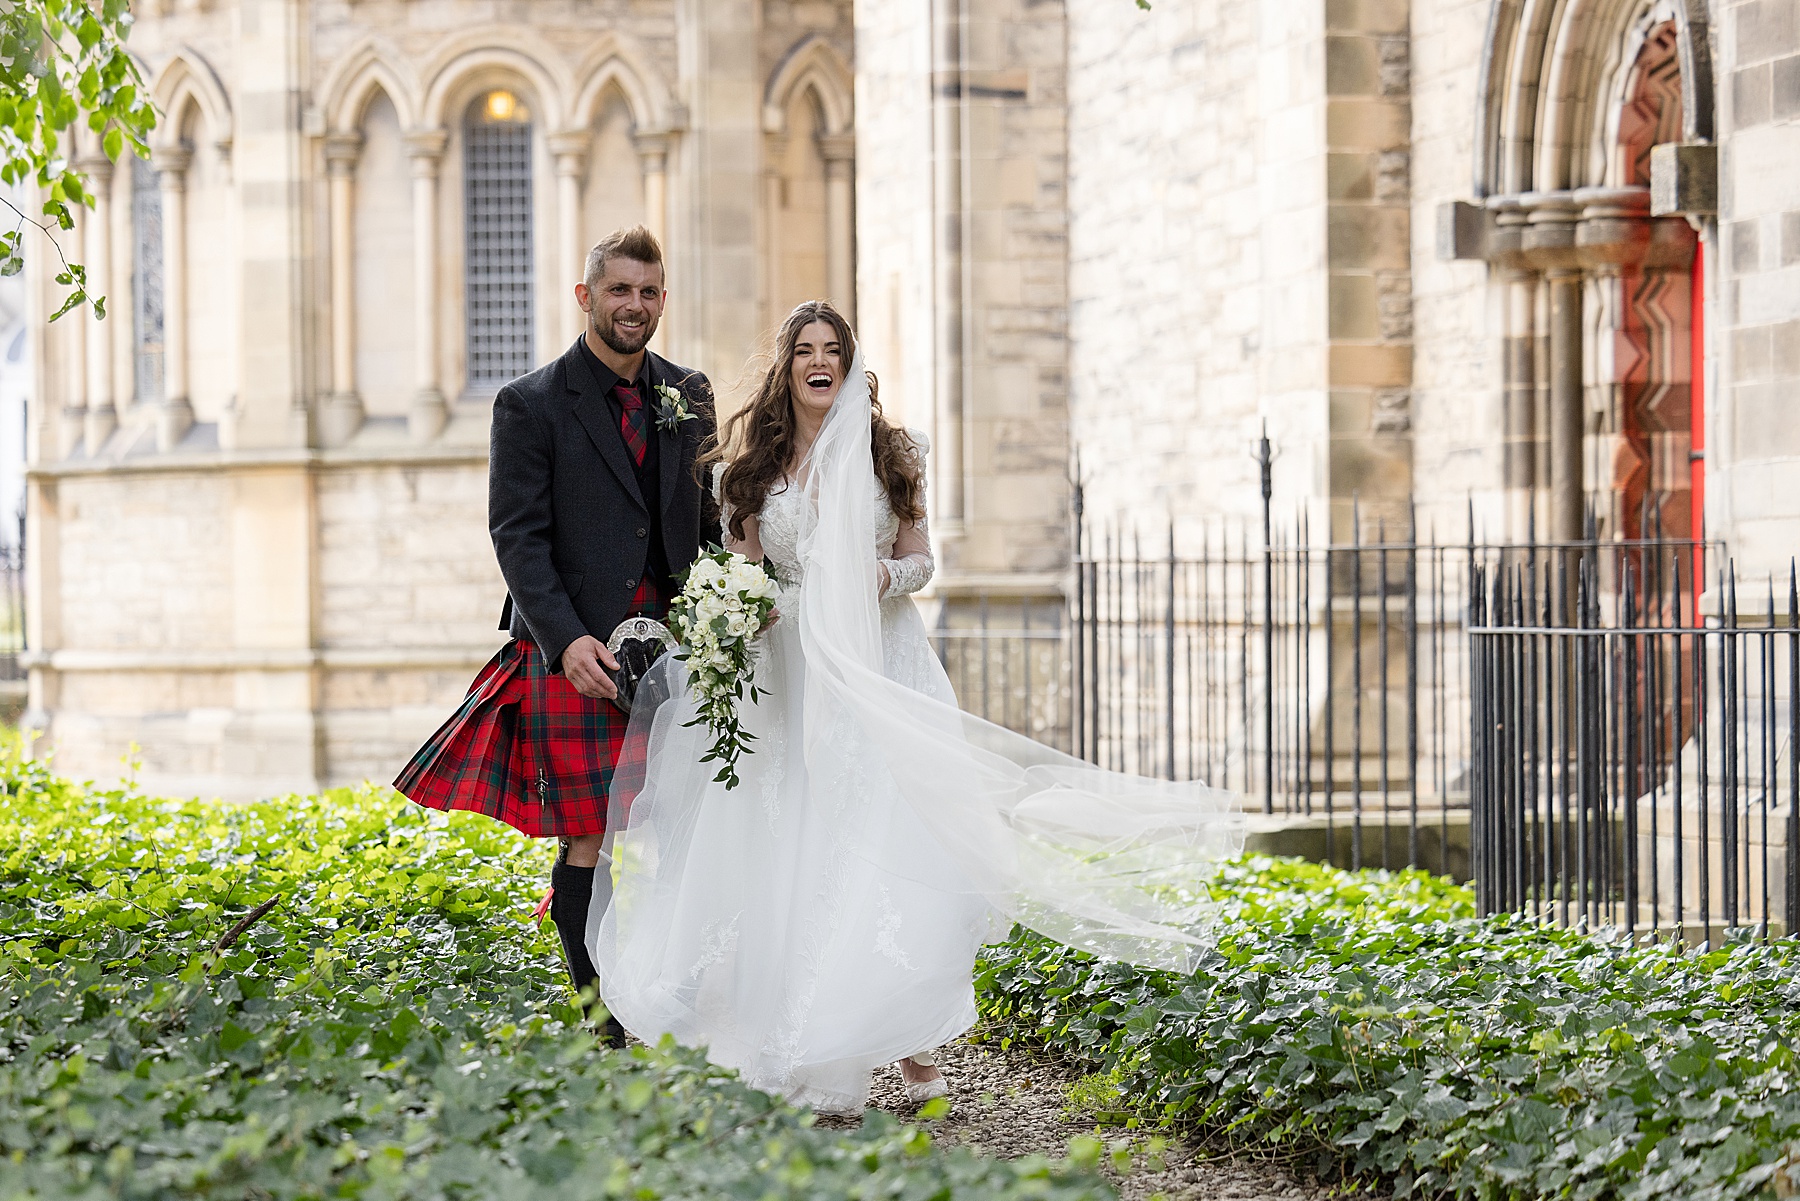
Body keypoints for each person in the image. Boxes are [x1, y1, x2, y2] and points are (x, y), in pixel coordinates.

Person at [591, 301, 1242, 1114]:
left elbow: (921, 558)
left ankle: (906, 1031)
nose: (819, 362)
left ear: (850, 363)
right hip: (791, 671)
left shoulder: (893, 453)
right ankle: (810, 1022)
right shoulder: (753, 468)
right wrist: (742, 603)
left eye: (833, 349)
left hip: (884, 665)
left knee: (881, 831)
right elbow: (744, 563)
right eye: (805, 351)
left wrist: (880, 579)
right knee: (799, 835)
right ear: (787, 366)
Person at [394, 226, 716, 1046]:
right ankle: (597, 1009)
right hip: (580, 651)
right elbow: (517, 536)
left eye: (648, 292)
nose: (634, 306)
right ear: (585, 297)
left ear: (662, 300)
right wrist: (565, 639)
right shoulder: (531, 403)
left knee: (687, 820)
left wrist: (727, 605)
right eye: (619, 290)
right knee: (589, 832)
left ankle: (673, 989)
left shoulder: (690, 393)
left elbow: (707, 520)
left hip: (674, 641)